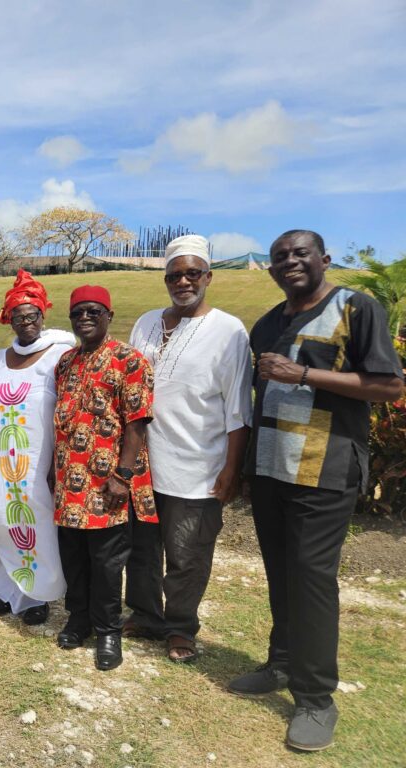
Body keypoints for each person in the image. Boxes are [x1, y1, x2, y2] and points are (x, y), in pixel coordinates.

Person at [227, 230, 403, 752]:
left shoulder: (357, 308)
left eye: (300, 253)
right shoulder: (266, 324)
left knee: (312, 581)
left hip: (324, 471)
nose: (289, 262)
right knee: (281, 574)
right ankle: (280, 664)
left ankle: (316, 698)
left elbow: (391, 385)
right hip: (270, 470)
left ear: (324, 259)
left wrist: (303, 372)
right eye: (280, 256)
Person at [124, 235, 253, 662]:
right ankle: (146, 615)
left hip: (196, 467)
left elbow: (237, 407)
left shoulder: (228, 330)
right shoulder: (145, 322)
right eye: (175, 275)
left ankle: (180, 627)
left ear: (208, 277)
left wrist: (231, 470)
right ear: (165, 280)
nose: (183, 282)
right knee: (142, 550)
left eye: (192, 273)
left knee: (187, 555)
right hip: (143, 465)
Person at [53, 285, 156, 671]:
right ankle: (78, 619)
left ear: (109, 316)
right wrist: (52, 471)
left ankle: (108, 630)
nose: (85, 318)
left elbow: (137, 423)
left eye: (93, 311)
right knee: (73, 557)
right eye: (78, 312)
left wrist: (123, 475)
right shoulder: (66, 362)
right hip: (68, 480)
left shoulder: (129, 361)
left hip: (106, 482)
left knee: (108, 562)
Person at [0, 270, 73, 625]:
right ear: (8, 319)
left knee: (35, 525)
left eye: (33, 316)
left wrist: (59, 464)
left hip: (38, 461)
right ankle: (5, 589)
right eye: (18, 316)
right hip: (3, 459)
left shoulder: (59, 355)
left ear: (43, 316)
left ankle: (36, 594)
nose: (26, 323)